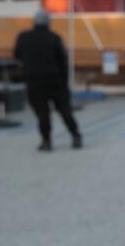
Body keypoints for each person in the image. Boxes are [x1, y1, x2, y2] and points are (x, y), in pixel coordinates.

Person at [14, 11, 81, 151]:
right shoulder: (54, 38)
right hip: (56, 82)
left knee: (42, 114)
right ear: (48, 23)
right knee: (65, 111)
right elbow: (63, 61)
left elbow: (17, 56)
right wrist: (65, 82)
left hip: (34, 82)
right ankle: (76, 136)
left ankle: (46, 141)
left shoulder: (24, 37)